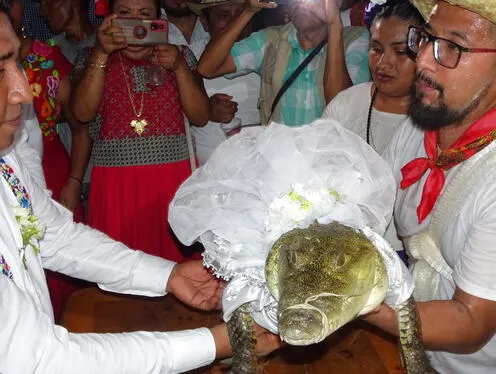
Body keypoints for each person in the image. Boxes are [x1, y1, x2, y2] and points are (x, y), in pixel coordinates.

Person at [0, 0, 281, 372]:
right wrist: (219, 341)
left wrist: (167, 274)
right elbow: (40, 360)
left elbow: (50, 234)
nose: (23, 90)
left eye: (16, 63)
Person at [363, 1, 496, 373]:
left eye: (453, 47)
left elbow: (471, 323)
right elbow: (372, 200)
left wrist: (355, 302)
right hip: (408, 351)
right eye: (425, 39)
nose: (422, 60)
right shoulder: (419, 126)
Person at [71, 0, 210, 263]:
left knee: (177, 272)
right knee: (118, 272)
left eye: (144, 15)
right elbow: (81, 114)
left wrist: (179, 66)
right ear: (110, 18)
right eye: (124, 14)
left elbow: (201, 116)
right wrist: (101, 54)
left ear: (160, 21)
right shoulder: (91, 57)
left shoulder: (180, 55)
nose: (135, 24)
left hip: (172, 183)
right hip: (116, 188)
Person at [10, 0, 92, 322]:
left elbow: (80, 127)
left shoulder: (47, 57)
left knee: (66, 264)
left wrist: (73, 182)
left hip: (55, 169)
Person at [198, 0, 371, 127]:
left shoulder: (355, 40)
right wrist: (248, 11)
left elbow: (340, 104)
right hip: (278, 164)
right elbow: (207, 68)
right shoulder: (272, 40)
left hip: (327, 165)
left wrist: (334, 24)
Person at [323, 0, 424, 154]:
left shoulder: (437, 120)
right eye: (376, 49)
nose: (382, 64)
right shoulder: (344, 106)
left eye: (400, 52)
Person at [188, 0, 261, 164]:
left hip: (261, 166)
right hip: (207, 170)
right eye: (224, 15)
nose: (236, 23)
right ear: (205, 22)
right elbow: (173, 117)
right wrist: (205, 109)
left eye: (241, 14)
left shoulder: (266, 51)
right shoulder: (188, 57)